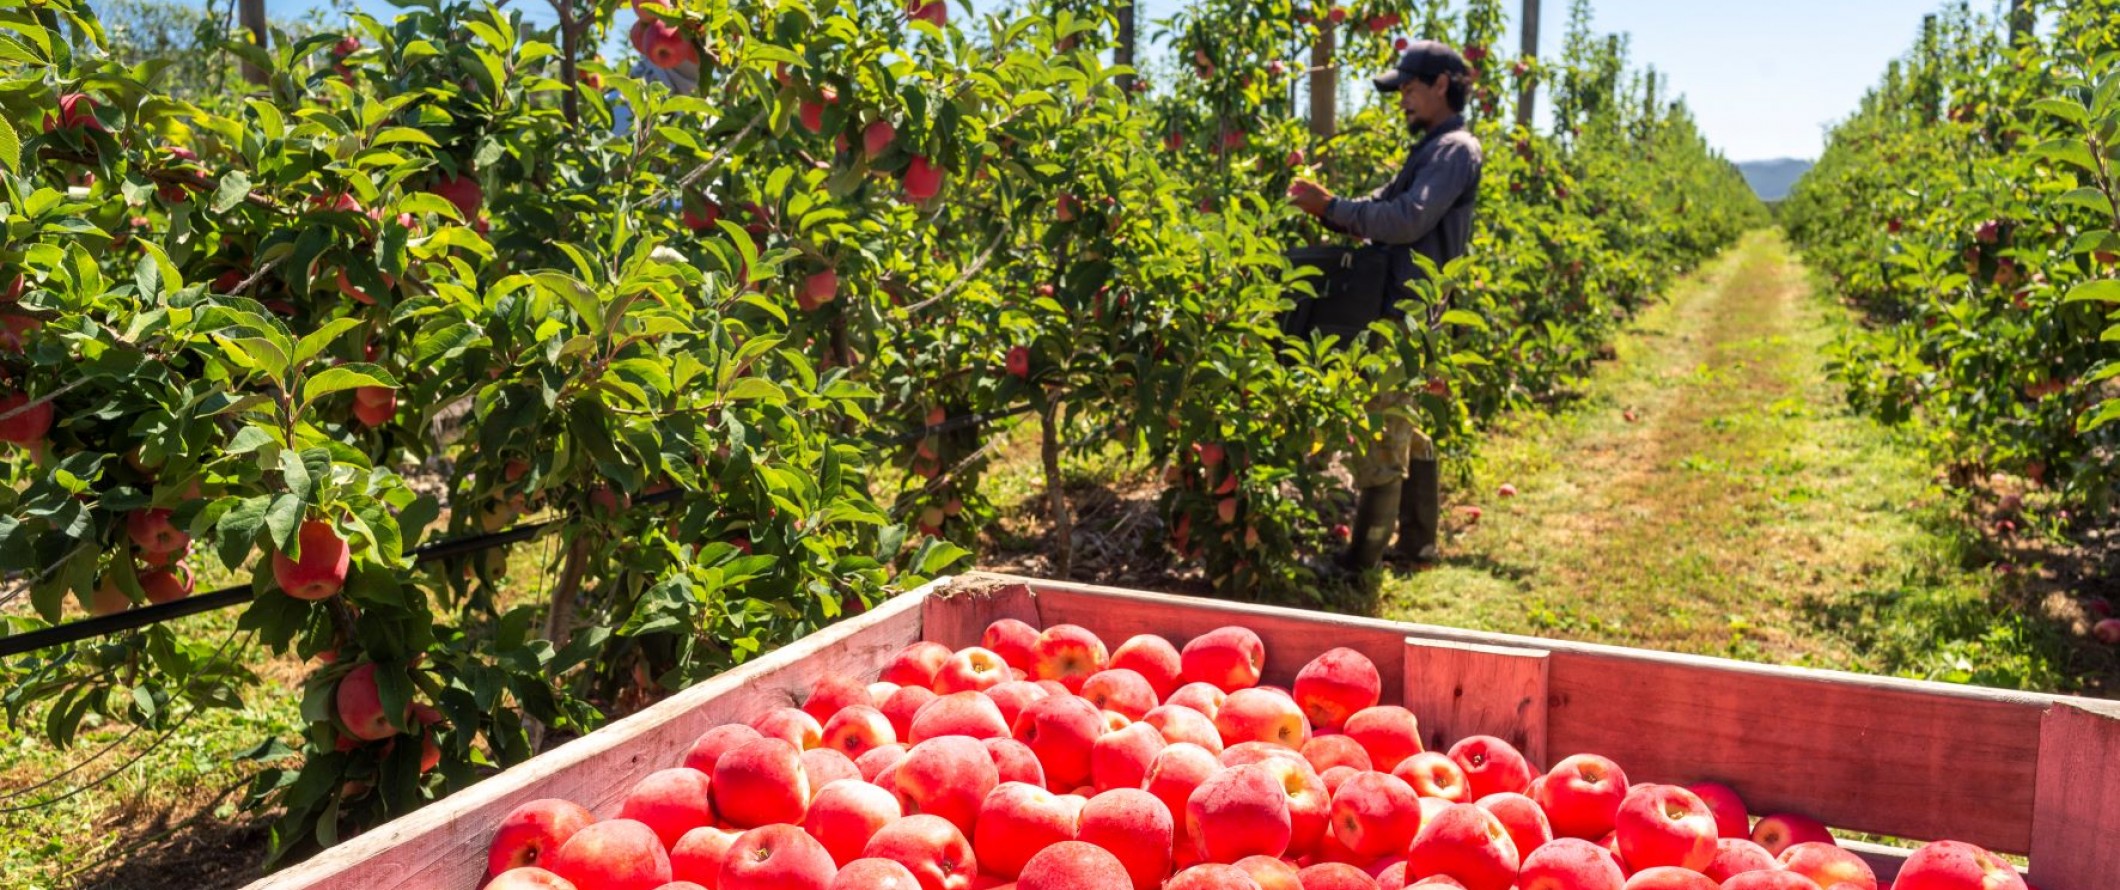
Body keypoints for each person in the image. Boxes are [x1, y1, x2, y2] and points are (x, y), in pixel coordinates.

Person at [1286, 40, 1484, 567]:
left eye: (1411, 90)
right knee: (1404, 421)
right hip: (1406, 307)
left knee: (1382, 427)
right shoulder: (1433, 149)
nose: (1403, 101)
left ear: (1442, 85)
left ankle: (1361, 564)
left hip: (1407, 310)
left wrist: (1334, 208)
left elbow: (1406, 220)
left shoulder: (1454, 150)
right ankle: (1418, 541)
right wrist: (1329, 208)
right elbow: (1382, 204)